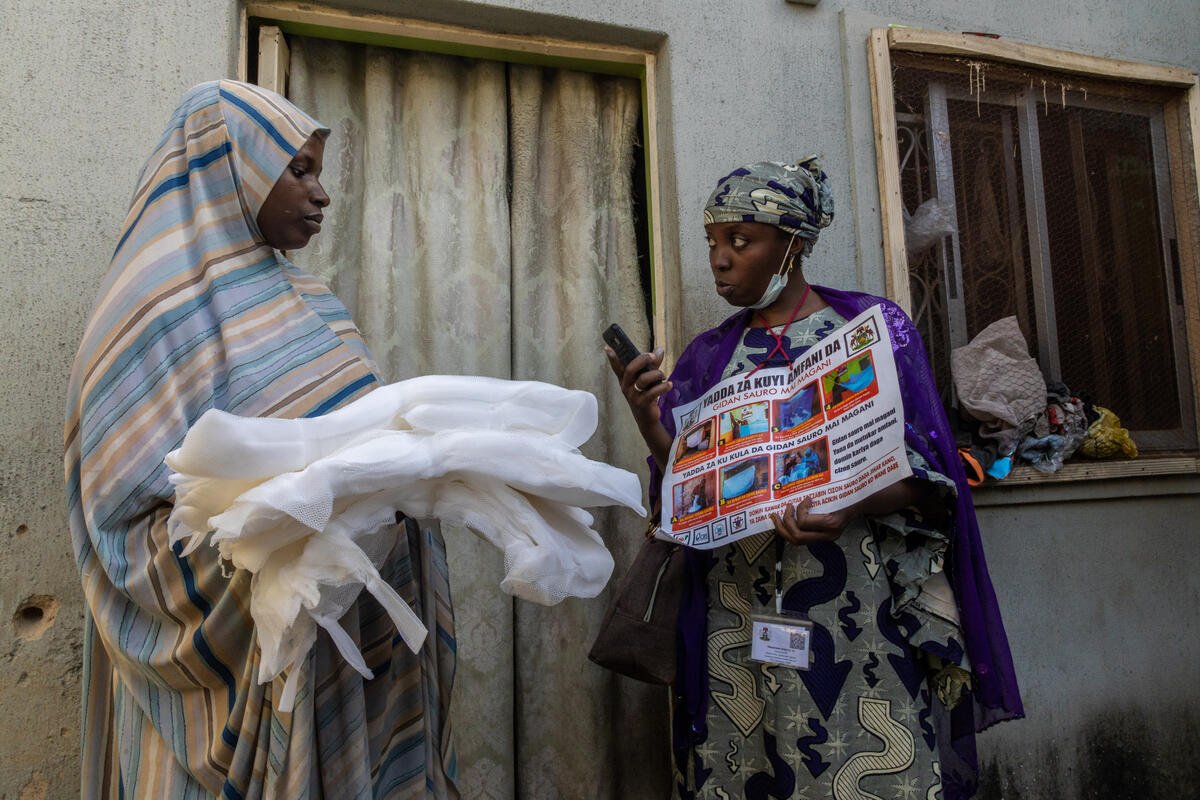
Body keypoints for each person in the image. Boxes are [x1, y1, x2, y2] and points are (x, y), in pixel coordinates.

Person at [65, 80, 456, 799]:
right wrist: (283, 538)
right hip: (242, 663)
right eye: (298, 170)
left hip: (348, 652)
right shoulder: (151, 312)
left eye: (317, 172)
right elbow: (120, 525)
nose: (320, 194)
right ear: (229, 164)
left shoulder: (309, 300)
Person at [606, 158, 1022, 799]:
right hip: (736, 618)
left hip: (854, 614)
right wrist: (647, 416)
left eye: (739, 242)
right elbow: (682, 487)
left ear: (792, 245)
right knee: (743, 765)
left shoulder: (875, 333)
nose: (719, 259)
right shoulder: (708, 358)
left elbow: (931, 480)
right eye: (713, 243)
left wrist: (850, 503)